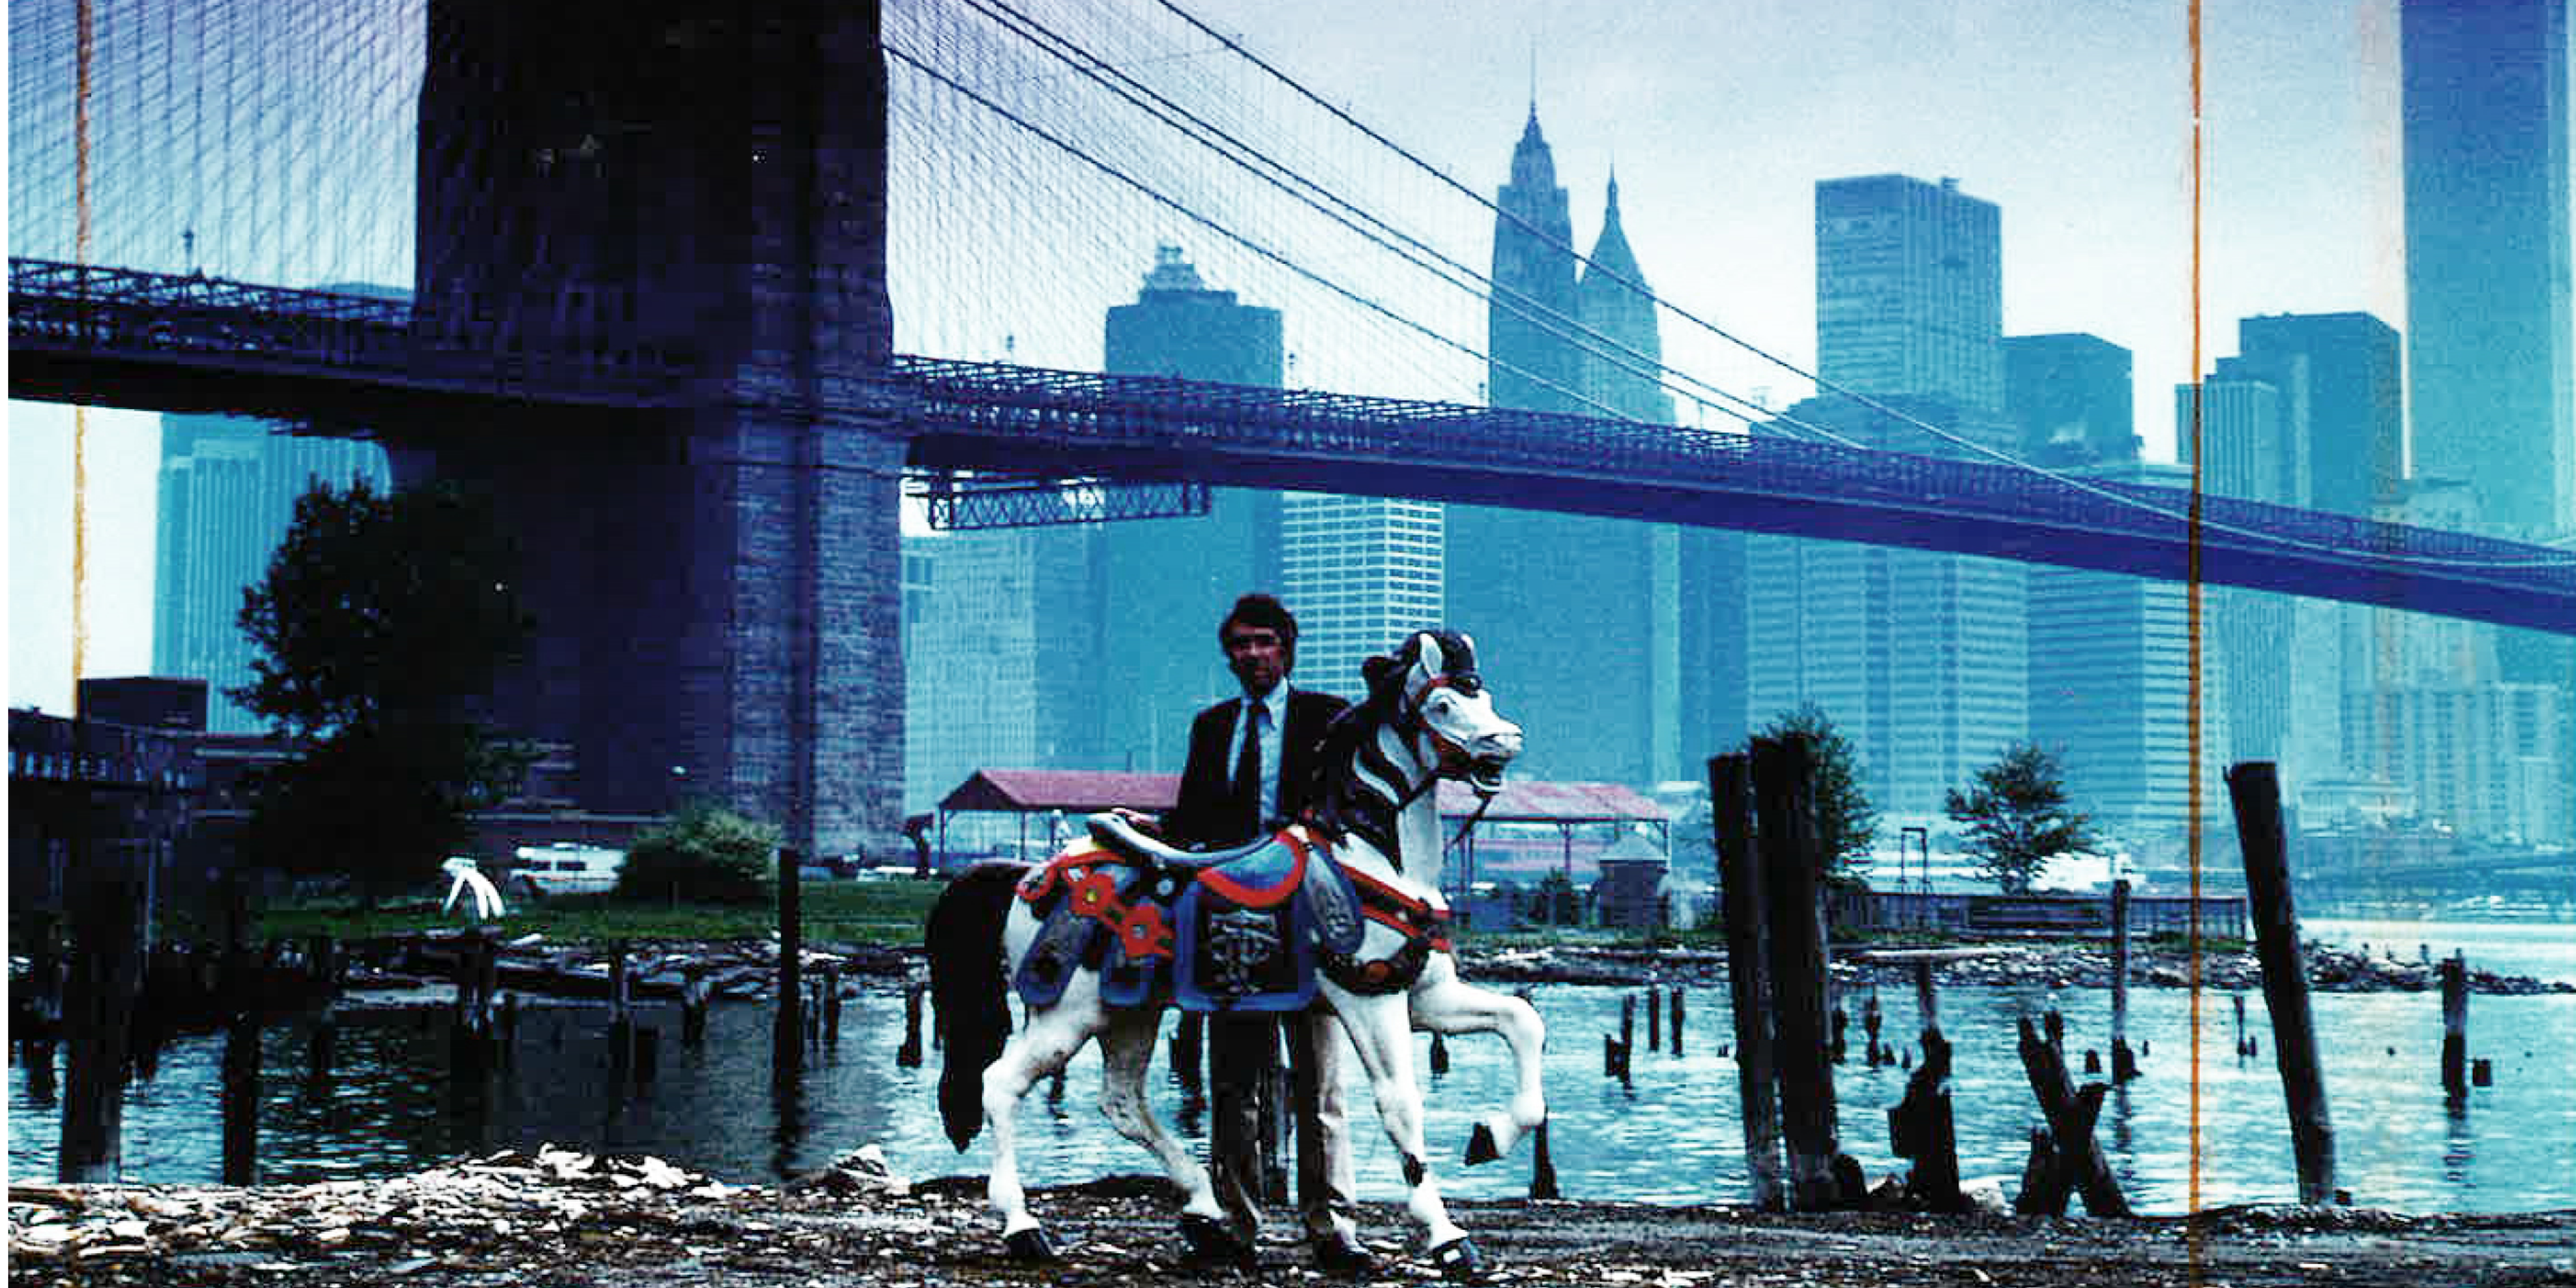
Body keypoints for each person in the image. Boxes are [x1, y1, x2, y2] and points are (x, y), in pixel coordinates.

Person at [1158, 593, 1369, 1275]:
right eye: (1241, 645)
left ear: (1287, 649)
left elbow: (1356, 807)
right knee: (1234, 1087)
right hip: (1231, 920)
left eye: (1264, 642)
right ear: (1230, 655)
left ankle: (1332, 1228)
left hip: (1307, 919)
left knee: (1320, 1082)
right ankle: (1238, 1227)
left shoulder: (1330, 718)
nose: (1252, 655)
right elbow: (1189, 819)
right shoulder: (1210, 726)